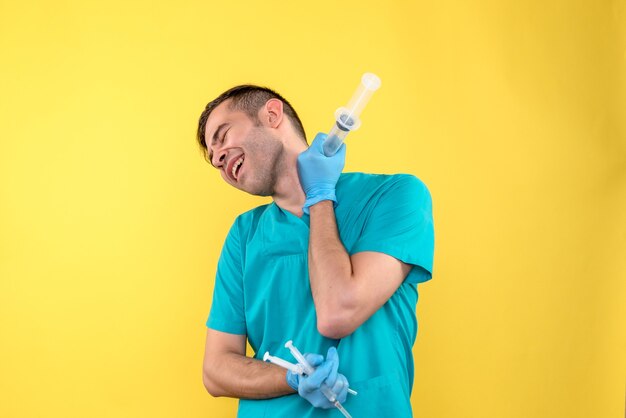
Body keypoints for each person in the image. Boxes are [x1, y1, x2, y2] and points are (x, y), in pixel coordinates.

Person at [198, 84, 434, 417]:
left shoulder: (393, 196)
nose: (219, 158)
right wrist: (292, 378)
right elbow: (216, 370)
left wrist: (319, 195)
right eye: (213, 158)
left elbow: (338, 313)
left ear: (272, 114)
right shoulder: (244, 235)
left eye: (222, 136)